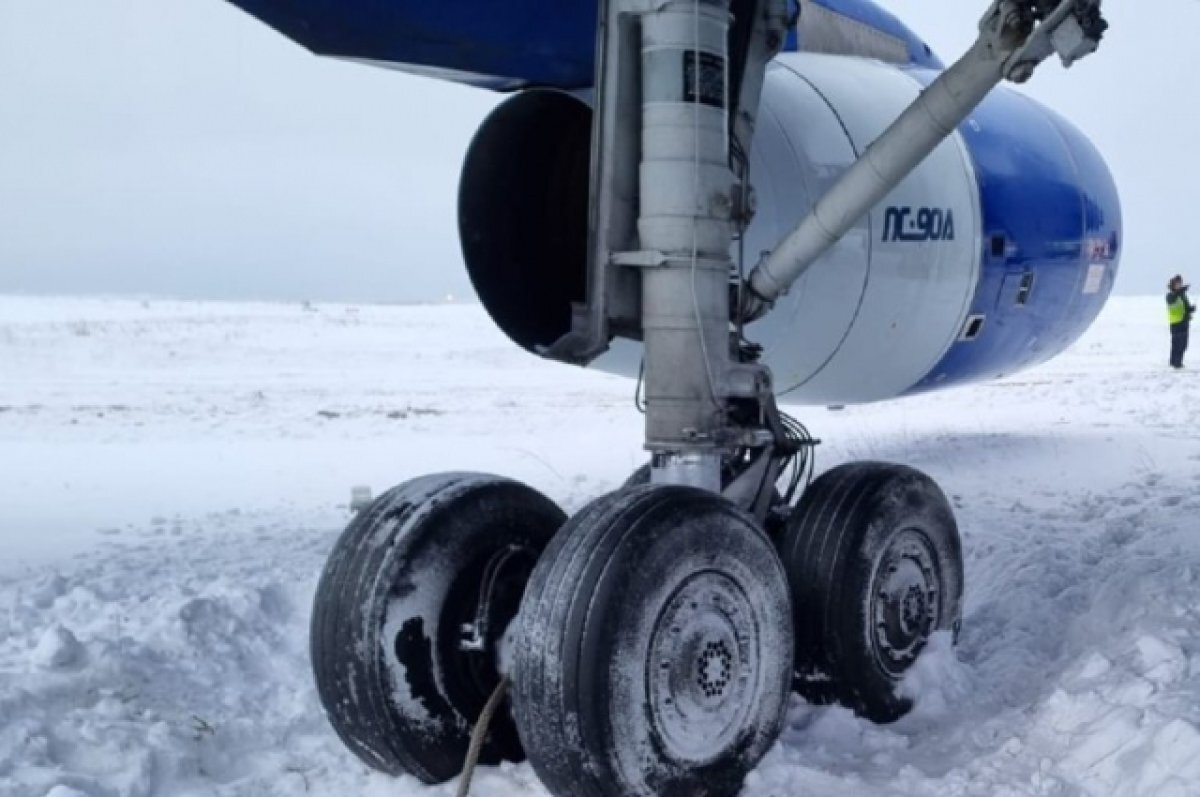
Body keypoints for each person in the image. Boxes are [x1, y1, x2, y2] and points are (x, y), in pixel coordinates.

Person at [1167, 275, 1195, 369]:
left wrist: (1191, 309)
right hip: (1175, 323)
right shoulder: (1170, 295)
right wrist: (1181, 291)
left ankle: (1178, 362)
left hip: (1184, 322)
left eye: (1180, 283)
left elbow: (1186, 307)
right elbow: (1172, 300)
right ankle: (1175, 363)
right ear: (1173, 285)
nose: (1179, 285)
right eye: (1177, 284)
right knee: (1177, 344)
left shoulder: (1182, 296)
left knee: (1183, 345)